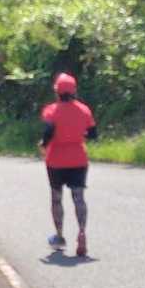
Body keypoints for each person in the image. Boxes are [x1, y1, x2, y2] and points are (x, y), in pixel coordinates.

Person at [40, 72, 97, 257]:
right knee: (78, 197)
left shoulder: (51, 110)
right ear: (74, 90)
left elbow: (49, 131)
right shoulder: (84, 110)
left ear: (57, 91)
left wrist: (43, 144)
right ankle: (82, 231)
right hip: (78, 158)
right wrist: (78, 134)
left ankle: (59, 235)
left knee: (56, 197)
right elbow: (93, 133)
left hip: (56, 159)